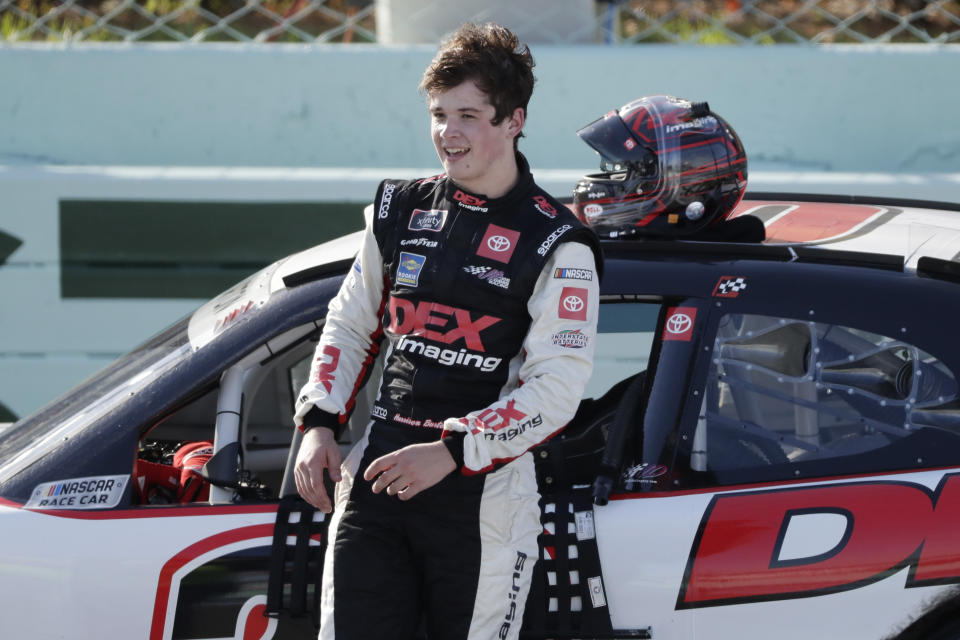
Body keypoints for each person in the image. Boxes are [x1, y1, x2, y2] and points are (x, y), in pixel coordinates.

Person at [292, 22, 603, 640]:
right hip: (378, 475)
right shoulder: (398, 210)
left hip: (482, 493)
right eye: (438, 114)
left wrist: (453, 451)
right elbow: (350, 325)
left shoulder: (557, 243)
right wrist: (320, 423)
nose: (447, 133)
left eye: (467, 114)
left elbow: (556, 390)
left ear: (514, 120)